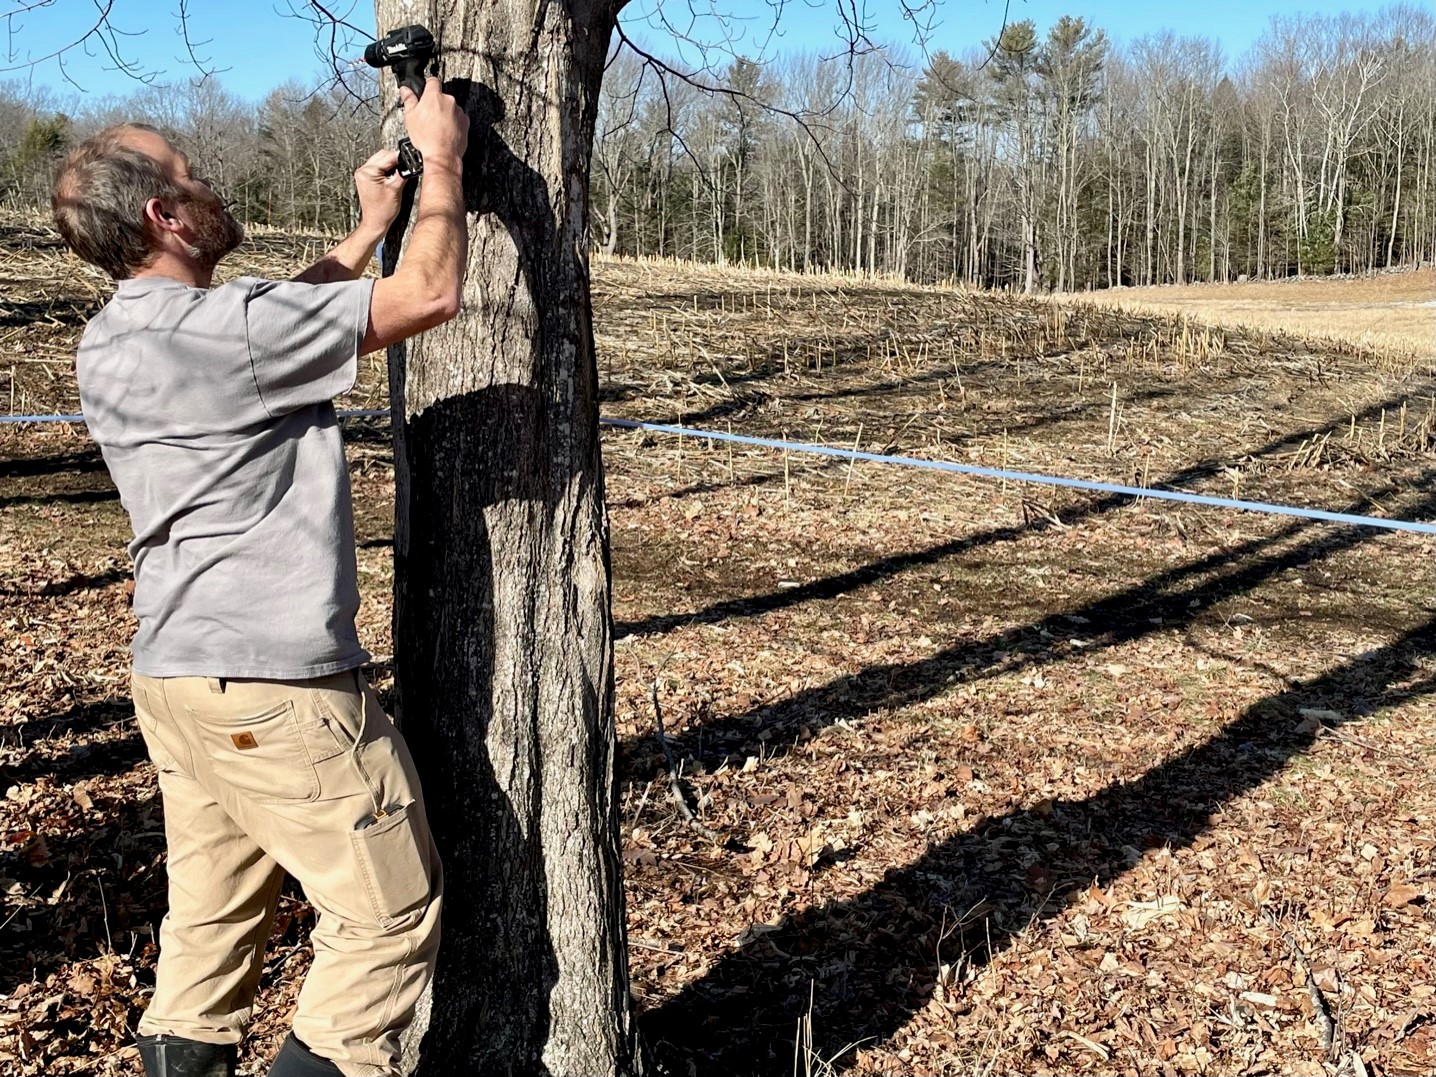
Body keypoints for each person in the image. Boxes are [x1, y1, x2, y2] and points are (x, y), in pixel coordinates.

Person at [49, 77, 469, 1077]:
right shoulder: (220, 334)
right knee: (385, 919)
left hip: (178, 682)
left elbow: (272, 333)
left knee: (205, 945)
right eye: (192, 179)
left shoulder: (119, 336)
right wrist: (442, 159)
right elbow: (432, 298)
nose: (210, 184)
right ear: (164, 215)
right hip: (273, 689)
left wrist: (366, 231)